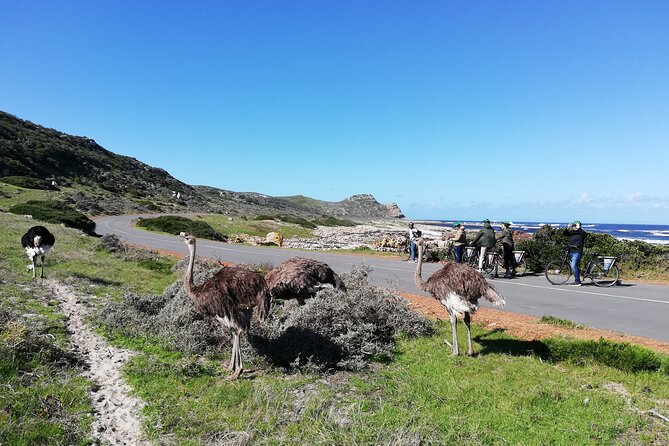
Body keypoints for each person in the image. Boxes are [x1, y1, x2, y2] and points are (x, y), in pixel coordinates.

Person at [564, 220, 588, 286]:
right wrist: (567, 227)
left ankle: (577, 282)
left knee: (573, 266)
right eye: (574, 225)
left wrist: (579, 228)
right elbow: (565, 233)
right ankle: (578, 277)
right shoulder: (572, 232)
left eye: (576, 225)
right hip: (570, 251)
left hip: (577, 252)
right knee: (574, 266)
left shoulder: (581, 233)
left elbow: (585, 234)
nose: (574, 227)